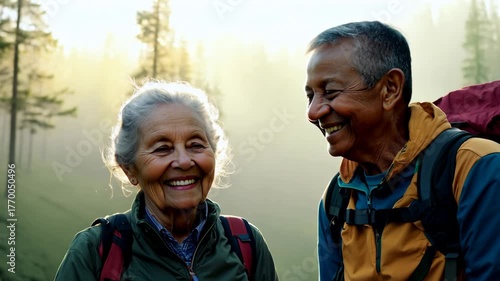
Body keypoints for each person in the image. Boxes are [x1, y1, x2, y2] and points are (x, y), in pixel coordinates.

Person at [304, 21, 500, 280]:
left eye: (330, 92)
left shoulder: (475, 168)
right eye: (310, 96)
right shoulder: (336, 199)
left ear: (390, 89)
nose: (313, 112)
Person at [54, 81, 279, 280]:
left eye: (196, 145)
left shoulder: (245, 242)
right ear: (130, 169)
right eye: (162, 149)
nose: (183, 161)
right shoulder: (95, 251)